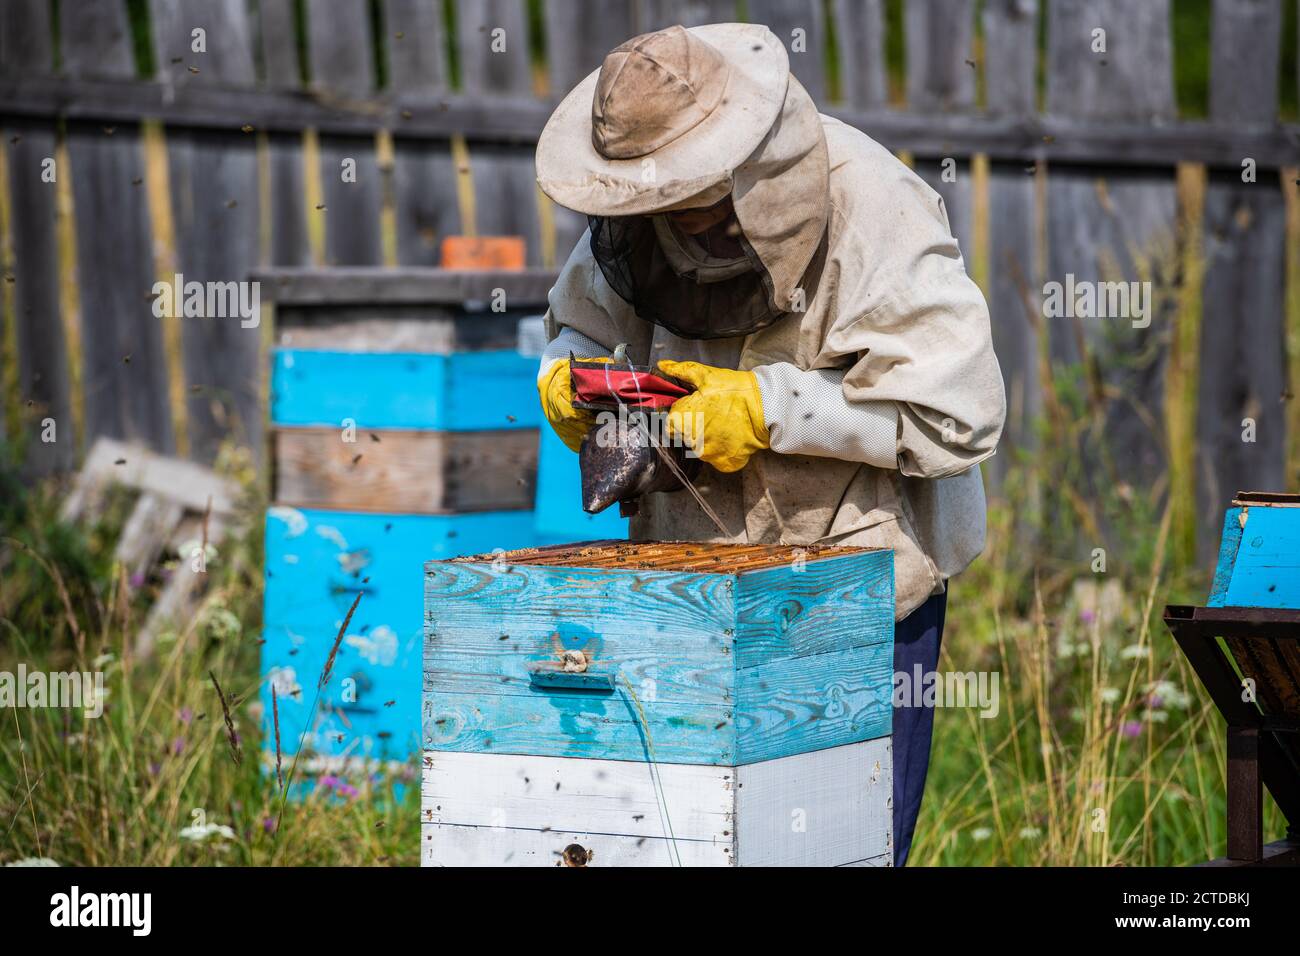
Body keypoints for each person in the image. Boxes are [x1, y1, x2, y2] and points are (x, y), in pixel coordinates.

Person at [534, 22, 1005, 866]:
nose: (668, 225)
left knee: (840, 845)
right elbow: (579, 325)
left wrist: (767, 409)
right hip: (689, 584)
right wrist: (570, 378)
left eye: (688, 206)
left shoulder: (874, 202)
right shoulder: (634, 216)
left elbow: (958, 419)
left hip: (862, 587)